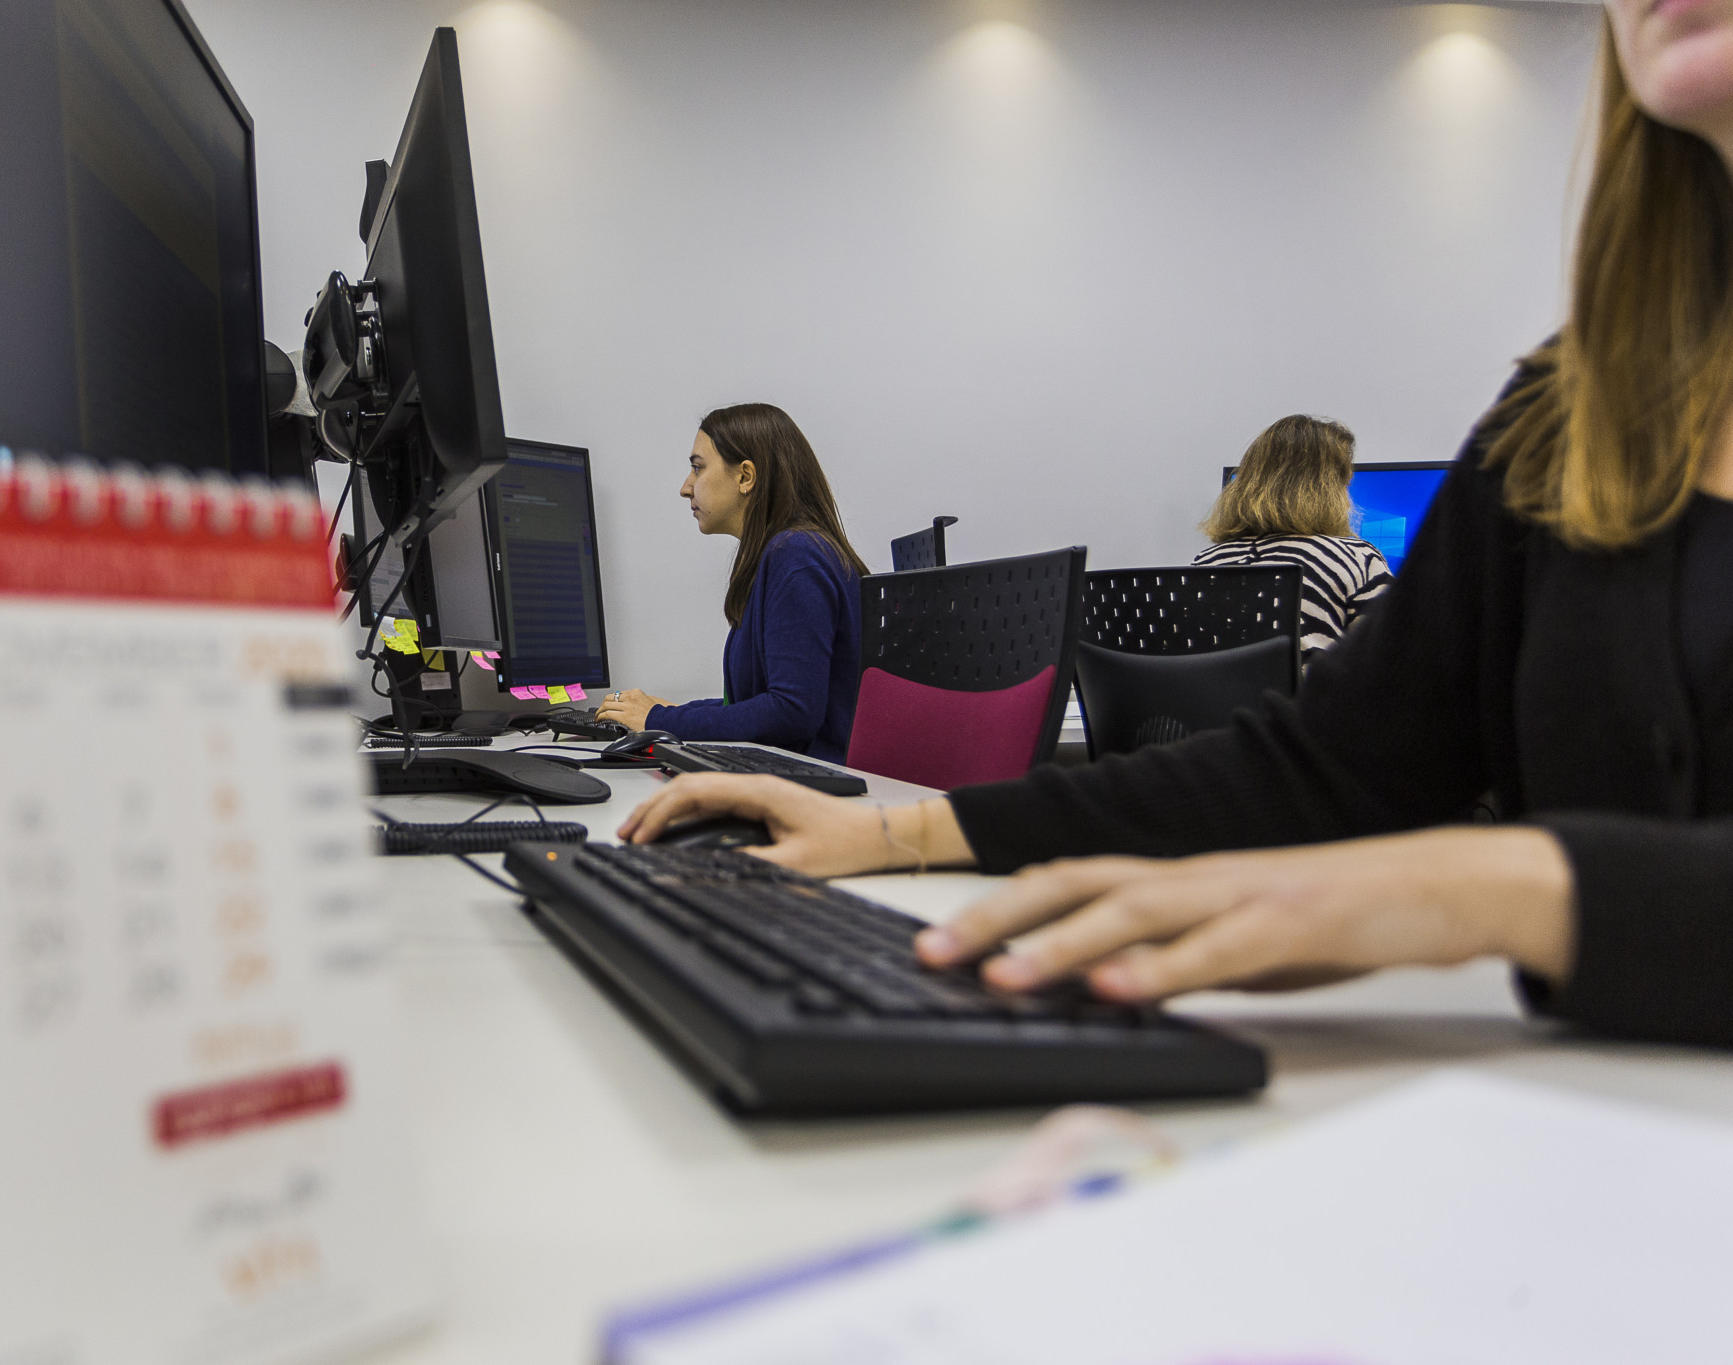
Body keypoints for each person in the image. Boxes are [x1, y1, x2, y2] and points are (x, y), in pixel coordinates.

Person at [619, 1, 1733, 1049]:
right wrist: (890, 837)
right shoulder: (1563, 427)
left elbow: (1439, 852)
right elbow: (1324, 766)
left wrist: (1503, 891)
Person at [594, 403, 868, 763]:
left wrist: (659, 718)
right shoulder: (785, 552)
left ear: (745, 477)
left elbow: (791, 712)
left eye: (698, 467)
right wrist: (677, 713)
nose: (685, 487)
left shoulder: (796, 555)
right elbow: (757, 701)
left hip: (812, 796)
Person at [1194, 414, 1393, 661]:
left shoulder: (1206, 561)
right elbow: (1390, 658)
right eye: (1344, 484)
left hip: (1216, 700)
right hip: (1312, 699)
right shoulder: (1357, 558)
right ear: (1329, 489)